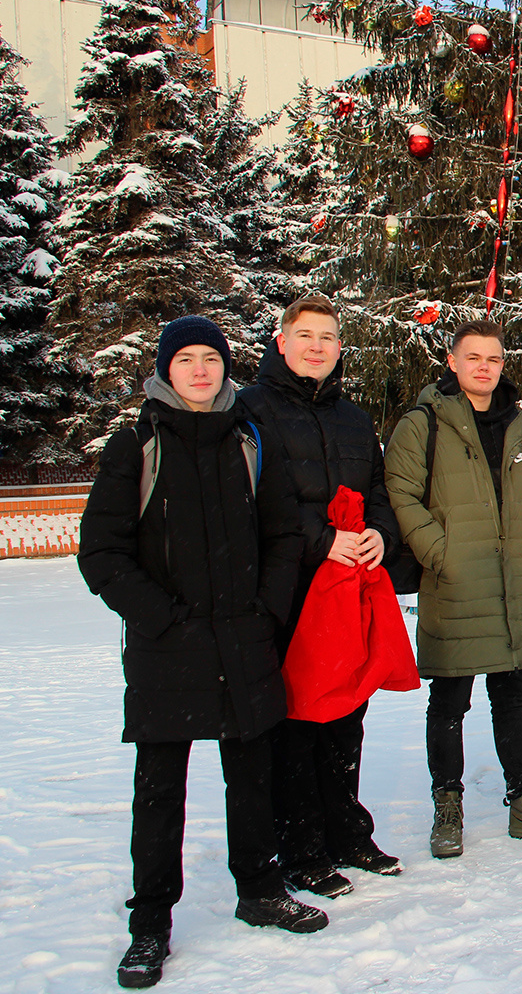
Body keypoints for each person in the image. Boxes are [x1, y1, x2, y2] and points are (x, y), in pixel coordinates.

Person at [79, 316, 325, 990]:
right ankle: (150, 924)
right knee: (160, 793)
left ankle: (259, 887)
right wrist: (161, 619)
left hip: (244, 638)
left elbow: (283, 534)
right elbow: (101, 552)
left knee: (252, 776)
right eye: (184, 359)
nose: (198, 370)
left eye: (209, 359)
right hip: (167, 649)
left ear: (224, 367)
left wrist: (267, 609)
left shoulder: (248, 438)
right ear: (165, 369)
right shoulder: (136, 445)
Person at [385, 320, 522, 856]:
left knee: (514, 697)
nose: (483, 367)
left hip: (514, 580)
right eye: (472, 357)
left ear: (503, 365)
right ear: (452, 361)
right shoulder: (423, 422)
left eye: (493, 359)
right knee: (450, 697)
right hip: (455, 577)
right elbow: (401, 494)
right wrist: (439, 551)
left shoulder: (519, 426)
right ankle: (446, 808)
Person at [237, 295, 403, 899]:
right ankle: (299, 845)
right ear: (280, 342)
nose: (316, 345)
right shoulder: (248, 409)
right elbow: (249, 501)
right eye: (304, 335)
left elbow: (379, 489)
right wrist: (322, 539)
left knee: (346, 712)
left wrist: (379, 535)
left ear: (339, 348)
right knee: (295, 718)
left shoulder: (355, 418)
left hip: (349, 586)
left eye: (327, 337)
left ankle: (345, 828)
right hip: (288, 589)